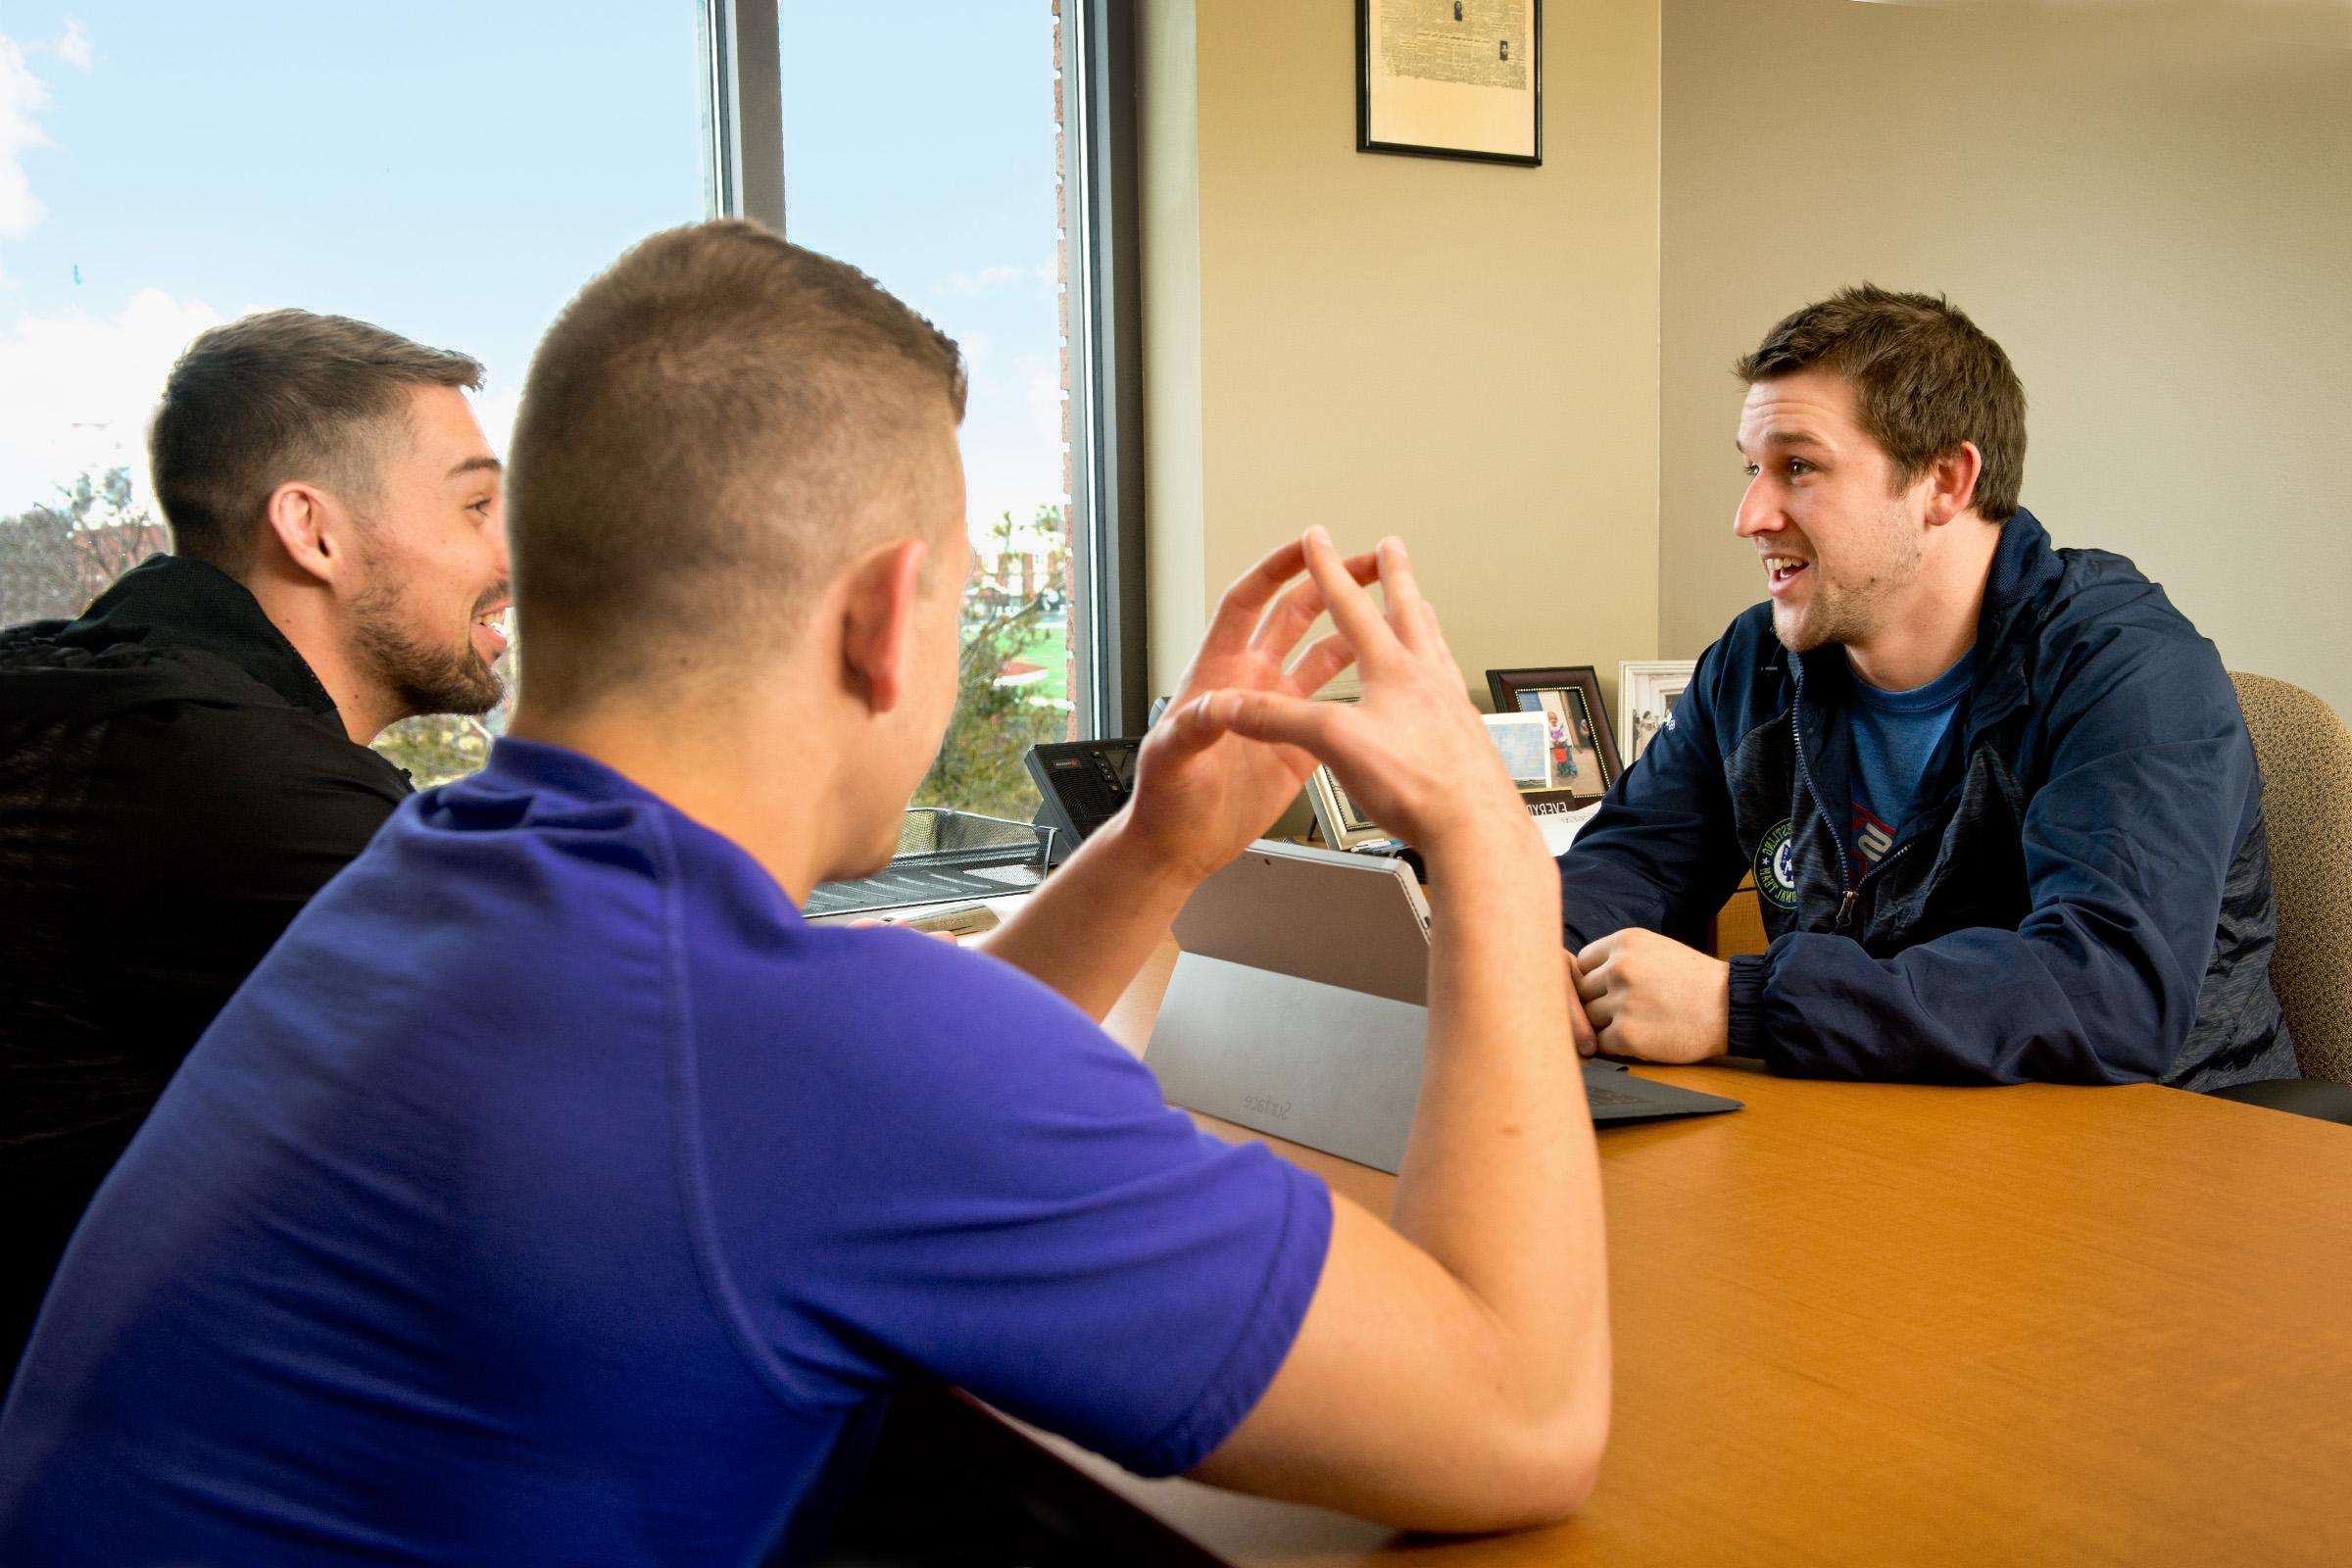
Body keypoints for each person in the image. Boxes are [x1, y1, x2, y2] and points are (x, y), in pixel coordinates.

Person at [0, 222, 1610, 1563]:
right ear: (893, 616)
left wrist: (1158, 846)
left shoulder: (427, 877)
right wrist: (1480, 842)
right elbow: (1521, 1419)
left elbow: (856, 1106)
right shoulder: (777, 1046)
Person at [1561, 284, 2292, 1090]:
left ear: (1946, 480)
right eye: (1752, 469)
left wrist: (1745, 1006)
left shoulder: (2129, 672)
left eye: (1798, 467)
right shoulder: (1756, 661)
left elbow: (2107, 993)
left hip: (2160, 1144)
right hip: (1879, 1115)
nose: (1750, 515)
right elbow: (1634, 860)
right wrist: (1550, 960)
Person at [0, 310, 511, 1375]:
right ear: (312, 530)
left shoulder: (85, 691)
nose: (508, 554)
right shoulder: (236, 786)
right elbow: (632, 1060)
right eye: (474, 506)